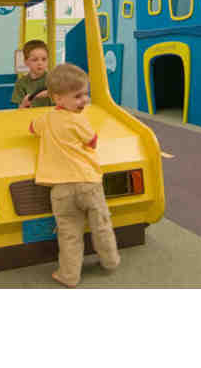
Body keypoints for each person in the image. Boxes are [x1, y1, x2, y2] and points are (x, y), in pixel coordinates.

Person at [28, 63, 120, 288]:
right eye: (78, 96)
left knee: (69, 234)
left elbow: (31, 128)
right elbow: (92, 141)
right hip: (88, 183)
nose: (84, 100)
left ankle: (68, 275)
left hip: (60, 189)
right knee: (101, 225)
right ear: (58, 98)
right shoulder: (79, 120)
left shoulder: (47, 119)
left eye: (85, 94)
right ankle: (110, 261)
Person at [11, 39, 53, 108]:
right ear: (26, 62)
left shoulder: (53, 79)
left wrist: (50, 93)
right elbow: (20, 109)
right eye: (35, 60)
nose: (40, 63)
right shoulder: (21, 83)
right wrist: (24, 104)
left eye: (44, 59)